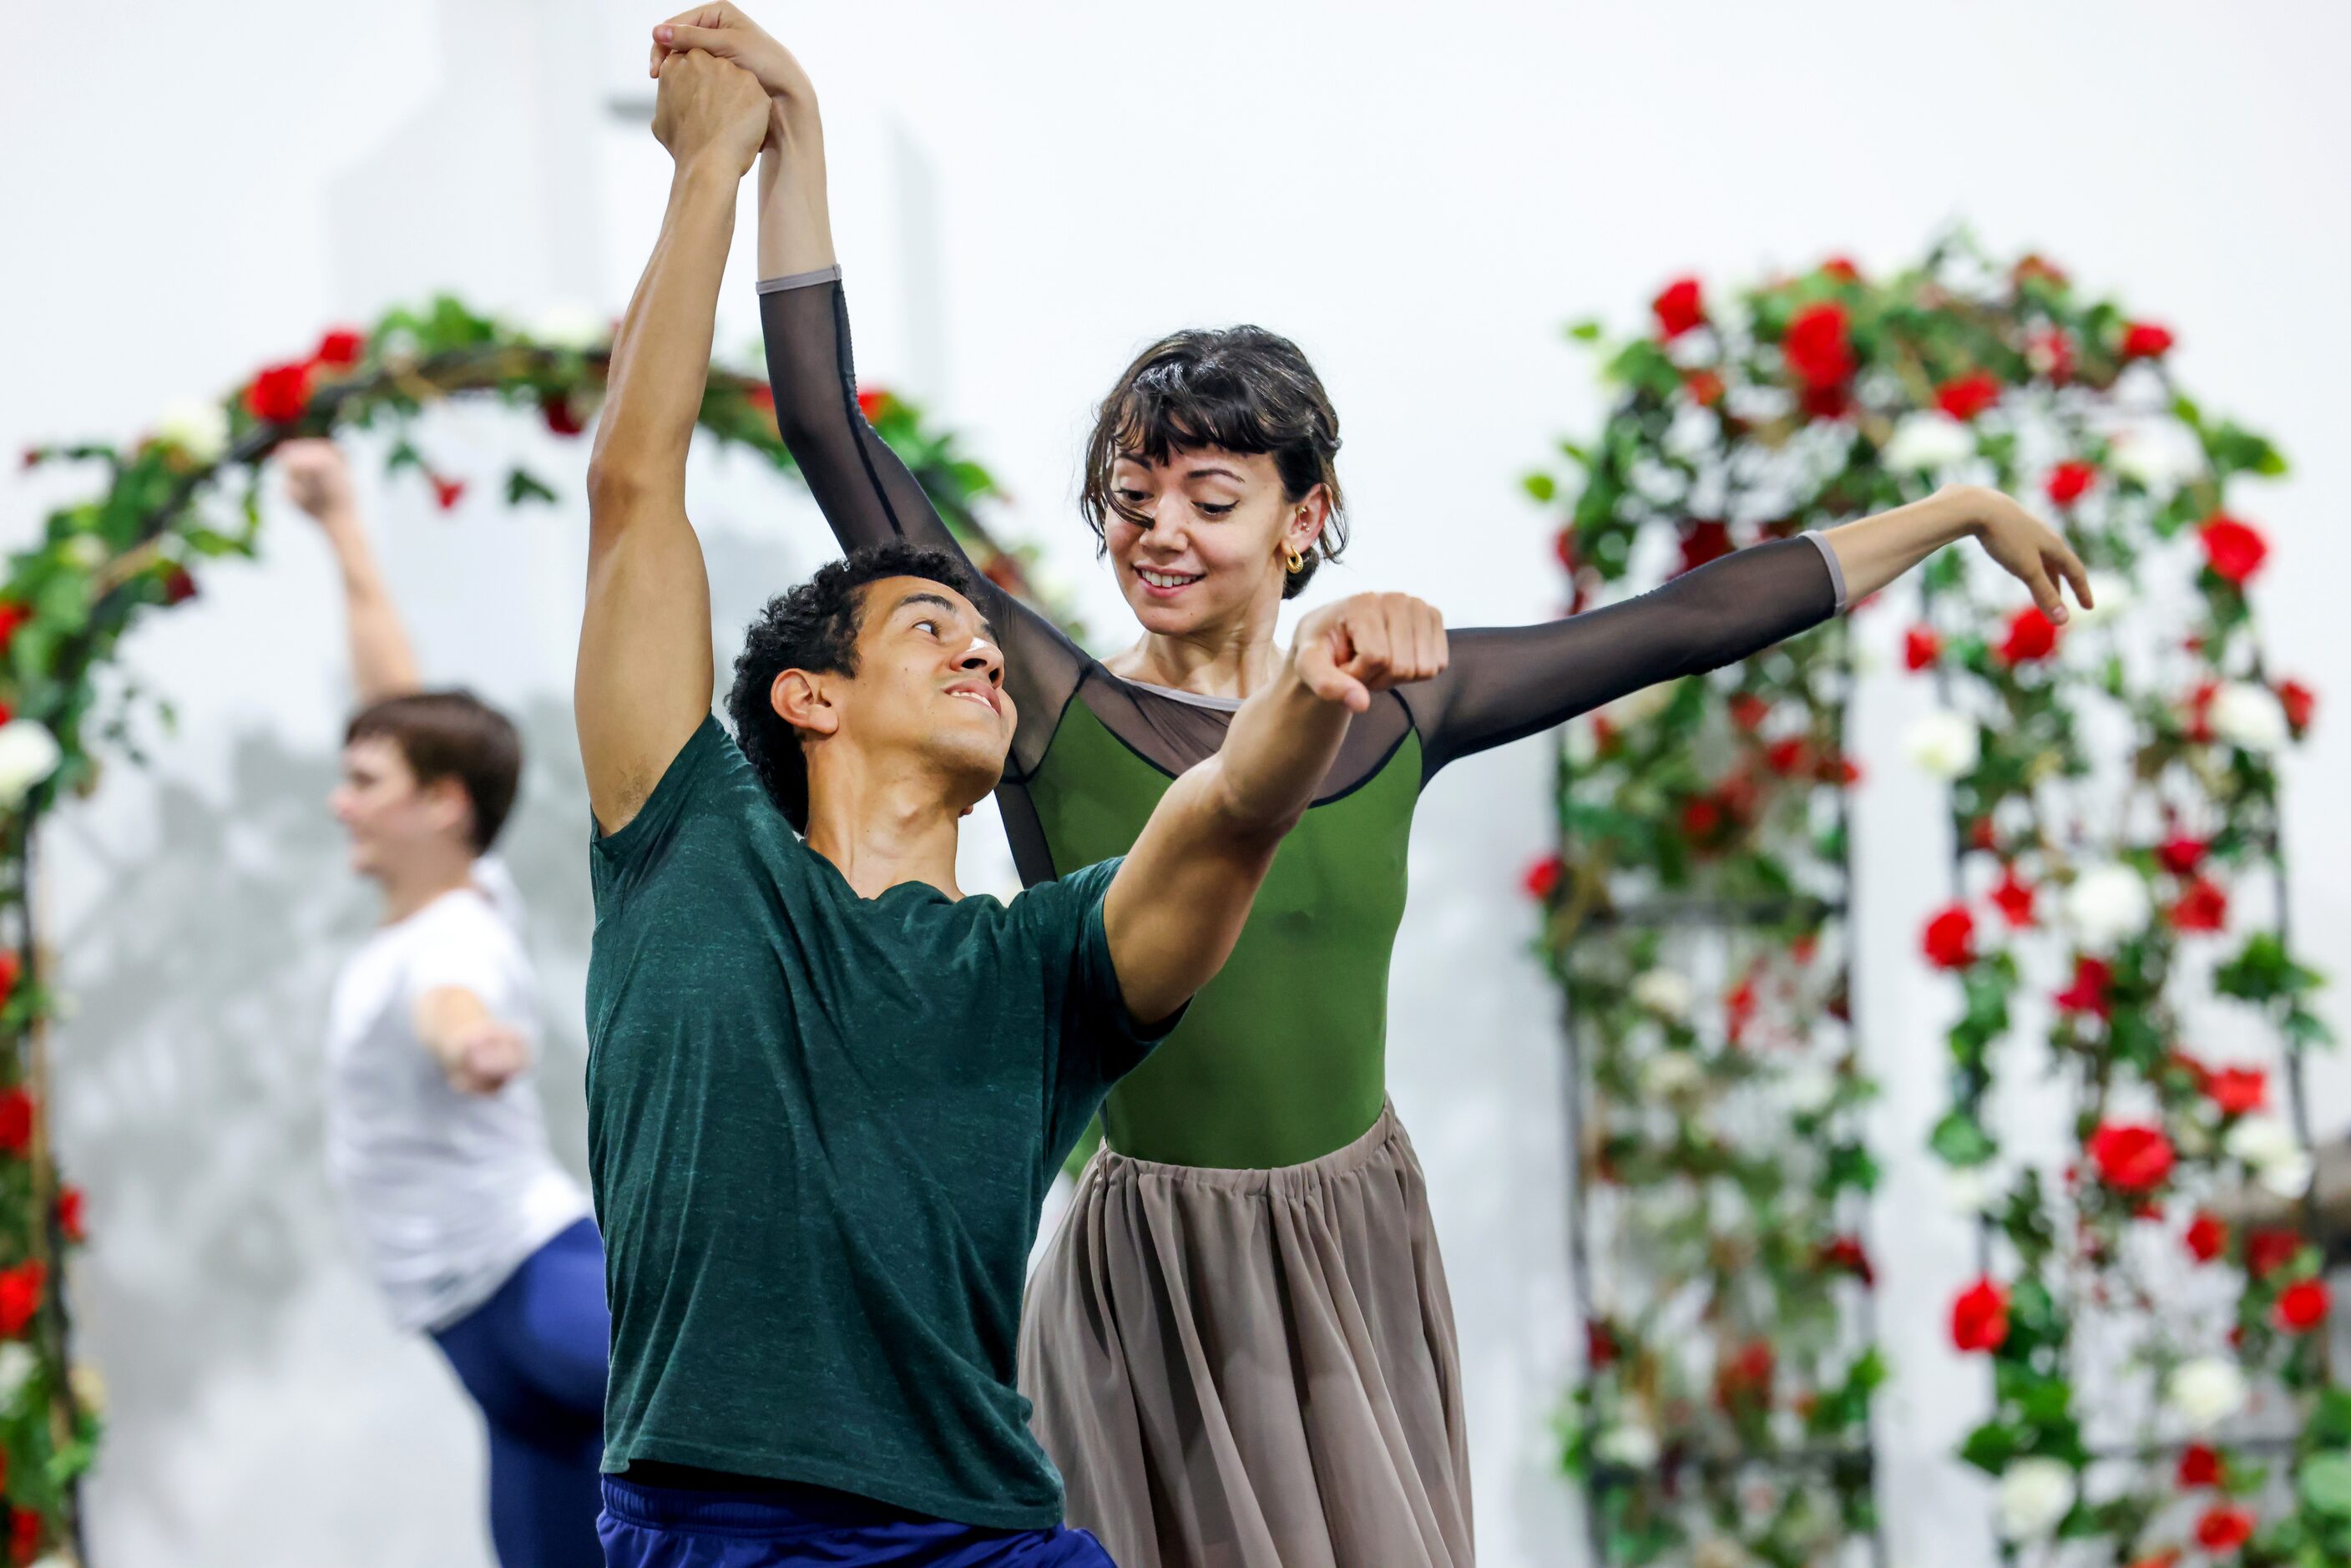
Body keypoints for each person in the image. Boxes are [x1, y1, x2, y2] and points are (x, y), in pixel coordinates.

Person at [636, 10, 2098, 1565]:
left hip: (1352, 1241)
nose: (1159, 535)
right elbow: (820, 416)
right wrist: (800, 140)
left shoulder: (1402, 701)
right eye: (1131, 503)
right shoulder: (1053, 706)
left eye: (1211, 497)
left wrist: (1952, 510)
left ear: (1303, 514)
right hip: (1153, 1267)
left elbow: (1687, 621)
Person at [578, 46, 1448, 1568]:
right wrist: (712, 164)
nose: (985, 639)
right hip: (724, 1528)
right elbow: (638, 491)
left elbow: (1227, 812)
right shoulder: (689, 850)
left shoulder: (1041, 968)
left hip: (985, 1532)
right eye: (930, 628)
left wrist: (1313, 685)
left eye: (987, 634)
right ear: (809, 697)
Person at [287, 436, 608, 1568]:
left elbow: (452, 1005)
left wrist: (472, 1044)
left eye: (362, 785)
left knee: (733, 1441)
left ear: (440, 803)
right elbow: (396, 695)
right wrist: (343, 531)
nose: (339, 805)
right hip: (479, 1332)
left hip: (541, 1290)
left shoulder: (456, 936)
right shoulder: (464, 886)